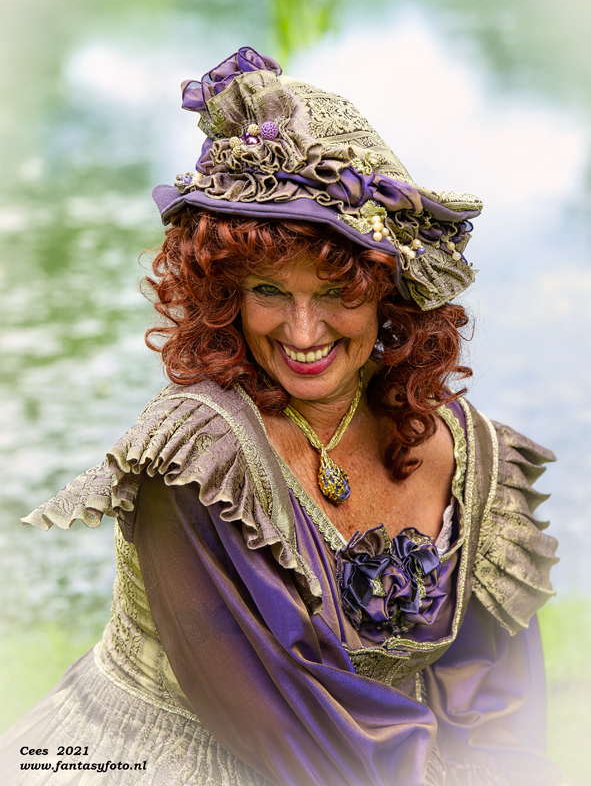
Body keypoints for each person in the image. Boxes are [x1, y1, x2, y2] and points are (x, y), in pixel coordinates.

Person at [0, 47, 560, 786]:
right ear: (224, 294)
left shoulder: (466, 449)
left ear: (390, 294)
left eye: (335, 292)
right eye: (268, 290)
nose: (301, 332)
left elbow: (500, 691)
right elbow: (292, 728)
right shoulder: (197, 461)